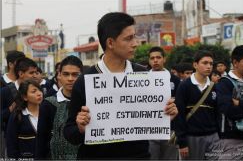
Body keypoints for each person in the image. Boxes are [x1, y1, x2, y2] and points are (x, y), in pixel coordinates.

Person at [63, 12, 178, 159]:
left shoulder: (144, 76)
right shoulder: (86, 80)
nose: (135, 43)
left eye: (135, 37)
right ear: (110, 43)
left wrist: (167, 115)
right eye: (129, 38)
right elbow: (70, 133)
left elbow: (153, 121)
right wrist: (80, 127)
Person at [174, 50, 221, 160]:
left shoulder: (214, 87)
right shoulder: (184, 86)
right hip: (192, 138)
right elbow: (179, 115)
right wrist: (182, 142)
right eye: (205, 63)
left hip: (213, 137)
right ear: (195, 65)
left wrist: (219, 135)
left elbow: (217, 114)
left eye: (211, 63)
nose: (209, 66)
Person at [36, 56, 84, 159]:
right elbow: (41, 140)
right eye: (66, 74)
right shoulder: (48, 104)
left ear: (82, 76)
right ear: (59, 76)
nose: (70, 79)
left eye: (75, 75)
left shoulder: (89, 103)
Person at [216, 45, 243, 160]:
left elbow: (237, 107)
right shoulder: (224, 83)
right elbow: (229, 111)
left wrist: (240, 103)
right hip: (233, 140)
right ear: (235, 63)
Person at [147, 46, 180, 160]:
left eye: (158, 57)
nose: (155, 60)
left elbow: (179, 105)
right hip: (150, 130)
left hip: (170, 129)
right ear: (149, 61)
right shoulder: (143, 80)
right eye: (152, 58)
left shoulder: (175, 80)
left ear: (164, 59)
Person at [6, 79, 43, 158]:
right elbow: (11, 144)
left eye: (40, 90)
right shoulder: (17, 116)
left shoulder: (47, 112)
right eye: (34, 91)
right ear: (25, 97)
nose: (39, 94)